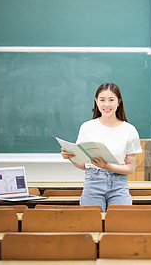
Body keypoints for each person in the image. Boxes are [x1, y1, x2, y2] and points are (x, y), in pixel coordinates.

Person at [61, 83, 142, 211]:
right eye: (102, 100)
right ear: (96, 102)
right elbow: (83, 165)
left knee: (120, 223)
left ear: (118, 102)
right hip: (93, 181)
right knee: (91, 223)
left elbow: (131, 168)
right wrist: (70, 157)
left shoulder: (130, 130)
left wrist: (107, 166)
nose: (106, 105)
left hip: (119, 184)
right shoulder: (86, 127)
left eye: (111, 100)